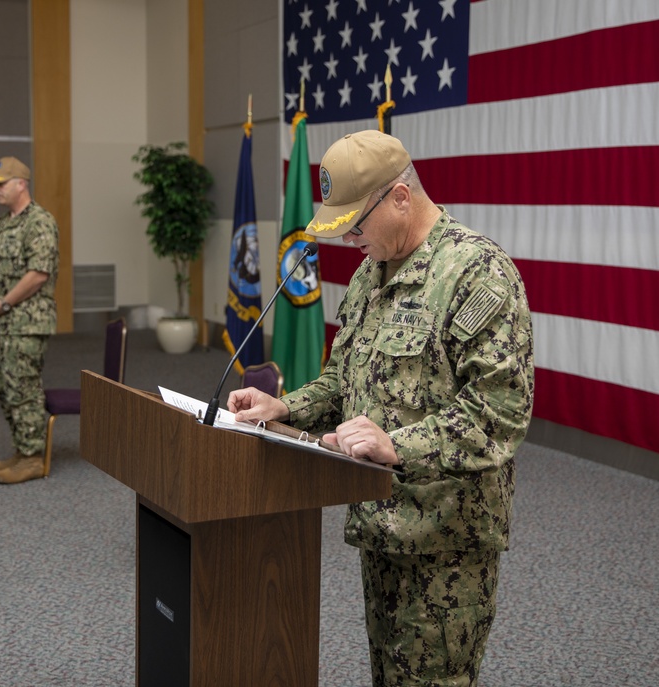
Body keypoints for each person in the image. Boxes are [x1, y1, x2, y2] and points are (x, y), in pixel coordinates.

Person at [227, 130, 534, 686]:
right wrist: (285, 408)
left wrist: (400, 445)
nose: (348, 238)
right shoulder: (373, 273)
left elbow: (500, 411)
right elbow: (346, 379)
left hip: (446, 537)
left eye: (356, 223)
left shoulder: (476, 272)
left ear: (399, 197)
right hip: (381, 520)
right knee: (388, 674)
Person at [0, 156, 59, 485]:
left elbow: (38, 274)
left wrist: (5, 305)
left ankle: (32, 458)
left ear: (21, 184)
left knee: (23, 388)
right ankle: (20, 449)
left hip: (26, 322)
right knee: (5, 388)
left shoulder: (39, 221)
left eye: (1, 183)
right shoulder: (4, 222)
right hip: (2, 321)